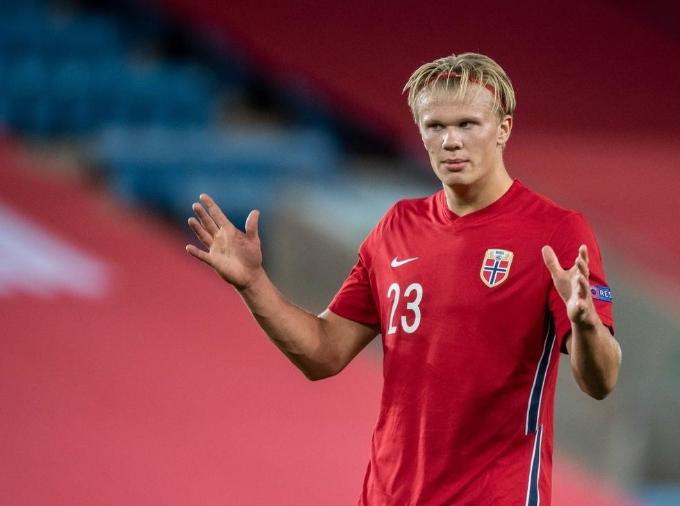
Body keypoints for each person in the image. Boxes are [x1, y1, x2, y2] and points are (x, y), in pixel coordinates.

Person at [186, 53, 621, 506]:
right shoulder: (397, 226)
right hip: (389, 496)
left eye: (468, 124)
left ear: (504, 129)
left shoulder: (556, 231)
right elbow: (323, 353)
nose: (451, 141)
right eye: (435, 126)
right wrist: (254, 283)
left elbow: (601, 381)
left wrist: (588, 325)